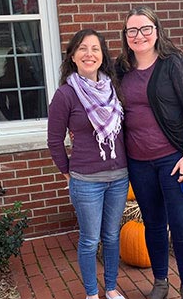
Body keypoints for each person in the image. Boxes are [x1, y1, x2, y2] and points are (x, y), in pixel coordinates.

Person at [115, 6, 183, 299]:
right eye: (132, 30)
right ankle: (161, 282)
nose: (139, 35)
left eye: (145, 29)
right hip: (139, 163)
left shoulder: (173, 63)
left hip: (174, 160)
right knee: (152, 224)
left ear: (156, 30)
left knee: (181, 226)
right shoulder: (121, 69)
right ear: (126, 35)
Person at [47, 29, 128, 299]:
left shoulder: (113, 89)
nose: (89, 54)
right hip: (86, 181)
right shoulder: (65, 95)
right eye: (82, 48)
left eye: (95, 48)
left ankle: (112, 288)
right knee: (90, 240)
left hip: (119, 177)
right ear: (72, 56)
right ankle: (92, 293)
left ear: (103, 55)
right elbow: (54, 140)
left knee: (113, 237)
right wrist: (67, 171)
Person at [0, 48, 46, 120]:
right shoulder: (4, 81)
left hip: (34, 115)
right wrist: (10, 118)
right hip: (17, 115)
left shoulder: (32, 77)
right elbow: (2, 104)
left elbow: (39, 95)